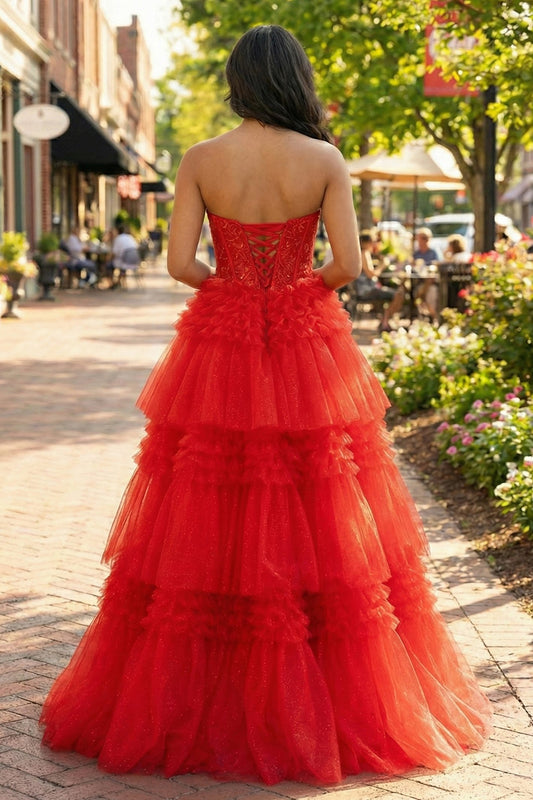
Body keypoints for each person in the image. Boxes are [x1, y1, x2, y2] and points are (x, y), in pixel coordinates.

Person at [40, 25, 492, 786]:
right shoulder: (323, 160)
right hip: (306, 340)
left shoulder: (201, 159)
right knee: (324, 497)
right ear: (298, 81)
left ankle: (205, 696)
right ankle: (320, 697)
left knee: (206, 505)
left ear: (237, 81)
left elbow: (182, 262)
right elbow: (346, 265)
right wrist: (293, 288)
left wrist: (233, 292)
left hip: (221, 343)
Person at [351, 231, 406, 333]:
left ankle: (385, 319)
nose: (375, 244)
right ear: (367, 243)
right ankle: (385, 320)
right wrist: (383, 265)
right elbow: (371, 274)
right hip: (367, 290)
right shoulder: (364, 253)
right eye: (373, 241)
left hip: (367, 288)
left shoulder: (360, 253)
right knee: (399, 294)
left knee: (398, 293)